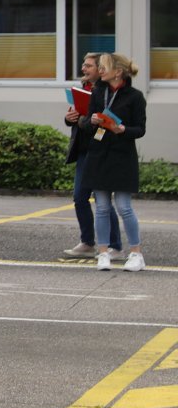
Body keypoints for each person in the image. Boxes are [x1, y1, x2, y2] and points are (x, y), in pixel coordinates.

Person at [84, 53, 146, 272]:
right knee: (101, 207)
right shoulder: (97, 92)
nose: (100, 71)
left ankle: (136, 254)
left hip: (122, 157)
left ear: (118, 72)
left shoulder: (135, 96)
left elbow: (140, 129)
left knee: (124, 207)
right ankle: (103, 253)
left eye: (104, 67)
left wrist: (123, 130)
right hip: (98, 154)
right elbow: (86, 123)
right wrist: (91, 120)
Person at [63, 52, 122, 259]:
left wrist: (83, 121)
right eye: (83, 64)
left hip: (100, 151)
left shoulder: (108, 92)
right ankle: (87, 242)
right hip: (83, 151)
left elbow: (106, 124)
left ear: (100, 69)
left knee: (102, 199)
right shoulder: (84, 88)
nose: (83, 69)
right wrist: (69, 118)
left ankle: (115, 246)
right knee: (79, 197)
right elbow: (77, 117)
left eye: (88, 66)